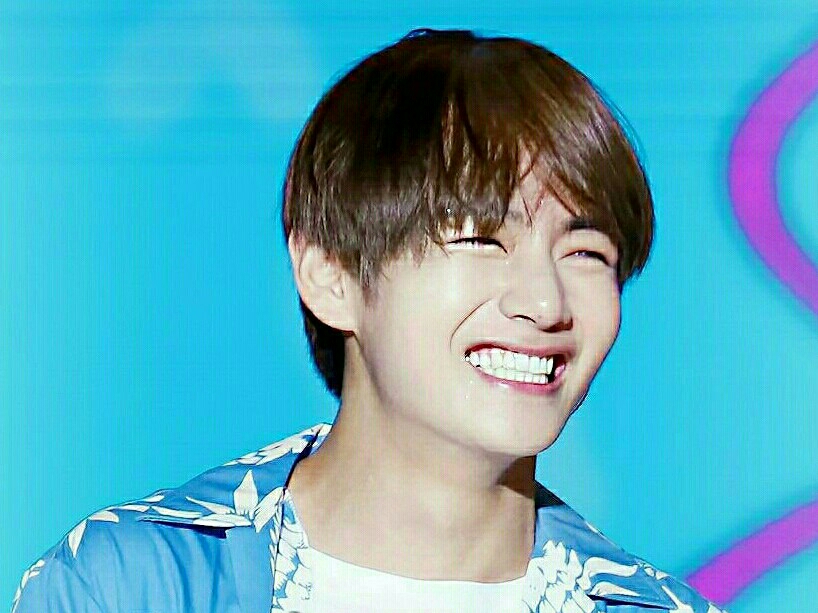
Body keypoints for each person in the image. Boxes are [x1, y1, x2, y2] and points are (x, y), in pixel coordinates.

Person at [13, 29, 727, 613]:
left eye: (586, 252)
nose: (545, 304)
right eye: (482, 238)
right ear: (330, 275)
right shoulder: (131, 587)